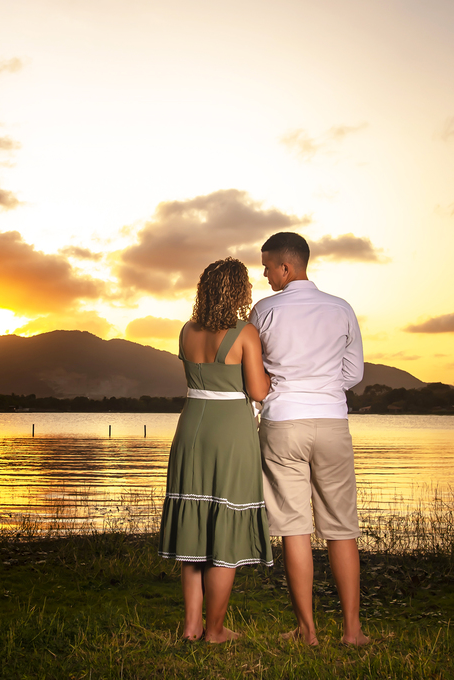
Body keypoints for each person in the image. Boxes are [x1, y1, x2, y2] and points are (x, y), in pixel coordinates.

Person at [249, 232, 370, 646]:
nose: (265, 276)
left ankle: (308, 631)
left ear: (285, 267)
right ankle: (352, 631)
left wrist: (287, 386)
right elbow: (354, 373)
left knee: (294, 528)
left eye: (267, 268)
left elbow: (254, 372)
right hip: (332, 421)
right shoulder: (341, 308)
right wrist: (324, 386)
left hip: (284, 422)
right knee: (342, 528)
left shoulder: (264, 311)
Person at [158, 257, 274, 643]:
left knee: (193, 527)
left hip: (191, 428)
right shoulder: (245, 333)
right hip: (231, 433)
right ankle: (215, 629)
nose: (250, 289)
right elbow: (257, 391)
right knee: (225, 529)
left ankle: (191, 627)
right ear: (238, 291)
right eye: (246, 285)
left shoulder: (186, 331)